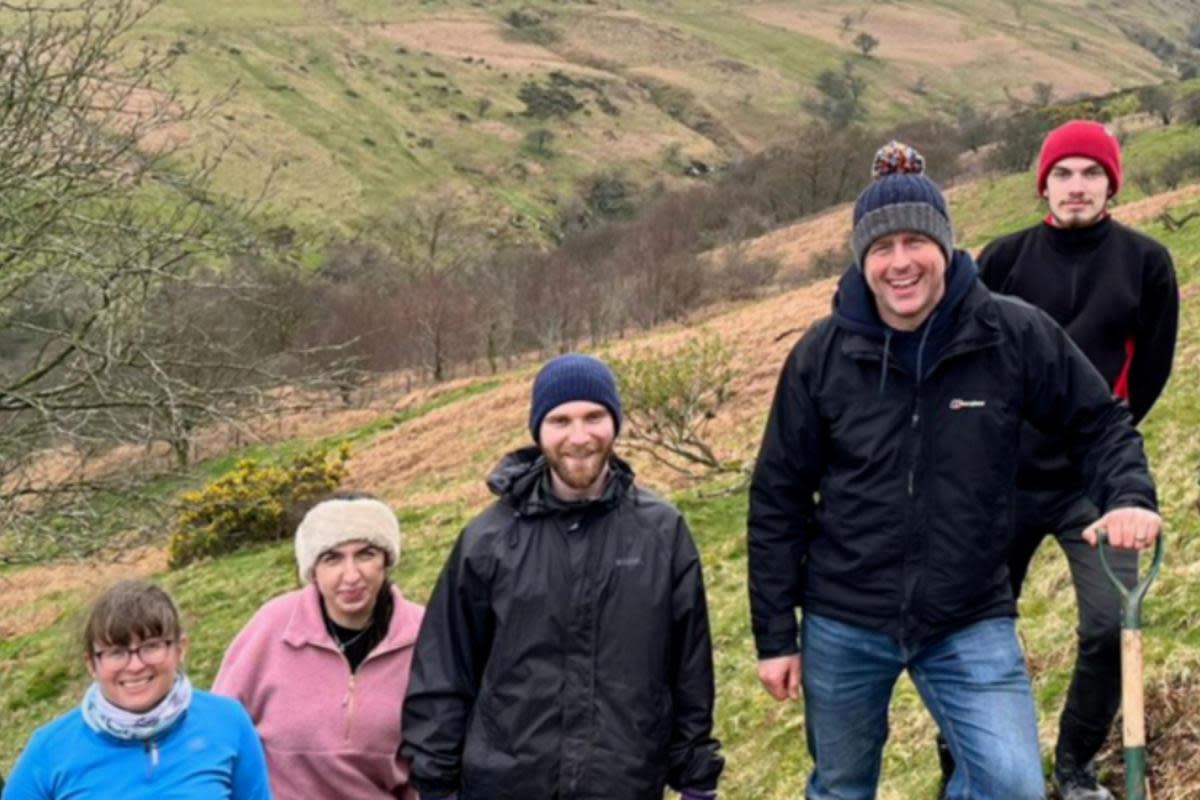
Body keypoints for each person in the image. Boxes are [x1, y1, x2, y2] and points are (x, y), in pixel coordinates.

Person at [747, 142, 1161, 800]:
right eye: (882, 247)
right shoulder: (821, 355)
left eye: (917, 242)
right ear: (862, 259)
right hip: (844, 619)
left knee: (1013, 786)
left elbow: (1099, 421)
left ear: (945, 246)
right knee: (842, 787)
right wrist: (775, 634)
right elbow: (778, 497)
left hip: (968, 616)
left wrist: (1129, 495)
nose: (900, 262)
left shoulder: (1013, 334)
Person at [401, 353, 724, 800]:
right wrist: (435, 783)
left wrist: (696, 776)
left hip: (622, 780)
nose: (579, 437)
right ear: (538, 430)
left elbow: (690, 666)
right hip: (506, 783)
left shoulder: (661, 533)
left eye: (594, 417)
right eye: (560, 420)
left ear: (615, 422)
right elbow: (444, 669)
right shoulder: (488, 539)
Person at [968, 119, 1179, 799]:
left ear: (1112, 182)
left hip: (1094, 483)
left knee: (1108, 625)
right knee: (969, 624)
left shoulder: (1147, 263)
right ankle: (970, 761)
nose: (1077, 187)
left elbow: (1150, 369)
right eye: (1063, 173)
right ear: (1043, 185)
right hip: (1000, 477)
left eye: (1092, 173)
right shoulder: (1002, 259)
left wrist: (1101, 442)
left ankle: (1075, 767)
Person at [213, 491, 425, 800]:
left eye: (366, 554)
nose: (351, 575)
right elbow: (218, 731)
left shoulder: (424, 635)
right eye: (332, 558)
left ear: (386, 560)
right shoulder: (272, 626)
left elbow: (441, 753)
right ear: (313, 570)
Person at [3, 580, 270, 800]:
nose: (135, 665)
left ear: (180, 649)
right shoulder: (49, 749)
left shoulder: (228, 722)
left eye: (151, 646)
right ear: (91, 664)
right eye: (116, 652)